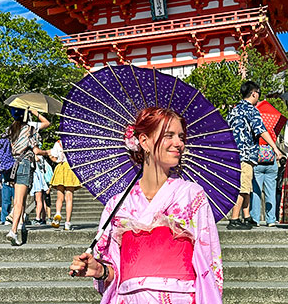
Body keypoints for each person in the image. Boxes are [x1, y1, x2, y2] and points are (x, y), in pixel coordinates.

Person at [69, 107, 223, 303]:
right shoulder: (118, 205)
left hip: (180, 298)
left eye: (181, 137)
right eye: (169, 135)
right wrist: (100, 271)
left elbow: (208, 262)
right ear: (144, 141)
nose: (179, 143)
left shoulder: (191, 195)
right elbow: (115, 273)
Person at [226, 81, 283, 230]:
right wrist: (275, 148)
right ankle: (234, 219)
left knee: (247, 185)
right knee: (243, 187)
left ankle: (247, 216)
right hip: (246, 154)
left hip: (233, 153)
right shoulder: (251, 110)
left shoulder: (234, 110)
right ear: (254, 93)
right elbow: (261, 130)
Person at [5, 107, 50, 246]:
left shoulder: (10, 129)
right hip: (24, 164)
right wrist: (48, 152)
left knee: (19, 198)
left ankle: (20, 225)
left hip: (13, 166)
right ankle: (13, 231)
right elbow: (36, 150)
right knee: (19, 201)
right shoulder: (29, 129)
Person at [48, 139, 81, 230]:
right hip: (71, 168)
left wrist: (57, 160)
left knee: (59, 196)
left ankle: (58, 213)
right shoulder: (75, 142)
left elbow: (53, 156)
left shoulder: (58, 143)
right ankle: (67, 222)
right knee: (69, 198)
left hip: (61, 167)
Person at [30, 138, 49, 225]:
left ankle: (38, 217)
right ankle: (43, 218)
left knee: (38, 199)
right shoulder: (42, 157)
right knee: (42, 199)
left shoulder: (38, 156)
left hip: (37, 178)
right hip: (40, 178)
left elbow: (36, 160)